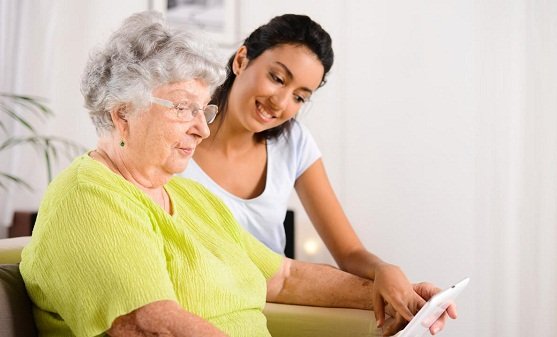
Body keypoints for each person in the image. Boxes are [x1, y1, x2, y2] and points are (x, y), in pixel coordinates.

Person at [18, 11, 454, 337]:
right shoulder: (89, 196)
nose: (201, 126)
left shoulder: (189, 198)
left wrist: (402, 297)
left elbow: (285, 277)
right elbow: (151, 324)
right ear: (122, 114)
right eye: (183, 108)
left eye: (202, 109)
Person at [181, 14, 455, 335]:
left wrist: (385, 272)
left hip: (274, 303)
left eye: (300, 96)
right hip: (200, 303)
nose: (280, 102)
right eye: (278, 78)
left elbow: (349, 252)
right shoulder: (178, 134)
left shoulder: (292, 142)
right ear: (242, 60)